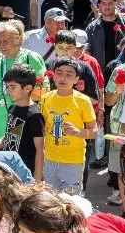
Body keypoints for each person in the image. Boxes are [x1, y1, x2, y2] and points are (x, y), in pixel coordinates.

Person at [0, 20, 46, 142]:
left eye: (6, 41)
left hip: (22, 129)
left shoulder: (31, 58)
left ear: (18, 40)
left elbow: (44, 93)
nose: (2, 45)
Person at [39, 56, 98, 193]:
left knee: (71, 202)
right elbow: (42, 128)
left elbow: (94, 132)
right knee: (51, 201)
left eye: (68, 75)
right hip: (50, 160)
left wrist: (77, 132)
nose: (63, 78)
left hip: (73, 161)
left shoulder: (83, 100)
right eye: (59, 73)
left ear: (76, 80)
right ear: (53, 76)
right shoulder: (46, 98)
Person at [0, 66, 46, 178]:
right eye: (7, 87)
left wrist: (36, 182)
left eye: (13, 87)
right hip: (9, 170)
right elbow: (9, 137)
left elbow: (40, 150)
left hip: (25, 172)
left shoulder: (34, 115)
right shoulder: (13, 108)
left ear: (27, 88)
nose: (9, 91)